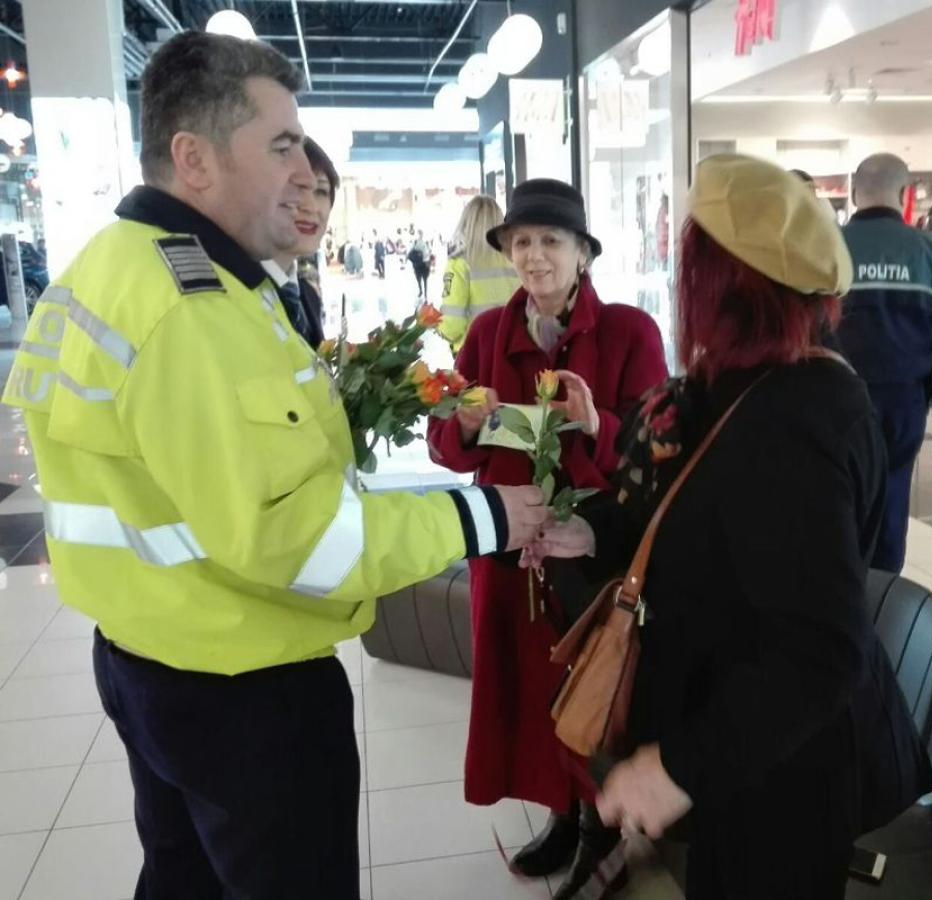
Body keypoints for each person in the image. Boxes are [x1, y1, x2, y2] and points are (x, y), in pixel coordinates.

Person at [0, 32, 549, 899]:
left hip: (145, 652)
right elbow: (299, 537)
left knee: (182, 877)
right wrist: (487, 516)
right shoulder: (192, 312)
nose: (303, 174)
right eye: (282, 146)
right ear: (195, 159)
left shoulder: (110, 266)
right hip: (240, 685)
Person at [528, 154, 932, 899]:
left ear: (722, 282)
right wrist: (591, 532)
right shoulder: (730, 383)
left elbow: (818, 652)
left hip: (783, 766)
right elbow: (682, 511)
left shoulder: (798, 420)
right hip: (736, 737)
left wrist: (674, 768)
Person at [426, 178, 668, 899]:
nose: (534, 256)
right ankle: (563, 817)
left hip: (591, 557)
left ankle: (601, 831)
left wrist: (598, 425)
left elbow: (658, 453)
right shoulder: (485, 337)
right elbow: (446, 447)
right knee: (528, 694)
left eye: (551, 241)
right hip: (508, 553)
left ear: (583, 253)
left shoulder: (628, 332)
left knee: (592, 694)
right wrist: (462, 426)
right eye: (521, 242)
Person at [838, 152, 932, 572]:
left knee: (837, 496)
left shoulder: (826, 251)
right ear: (906, 195)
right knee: (890, 497)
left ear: (854, 193)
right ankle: (884, 592)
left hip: (834, 400)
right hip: (903, 404)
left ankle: (838, 589)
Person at [261, 136, 340, 350]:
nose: (310, 207)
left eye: (321, 191)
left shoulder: (308, 296)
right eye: (296, 188)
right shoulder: (238, 289)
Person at [438, 195, 521, 353]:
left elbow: (452, 326)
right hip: (510, 352)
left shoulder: (459, 263)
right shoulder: (516, 259)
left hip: (474, 354)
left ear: (466, 223)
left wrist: (439, 329)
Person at [408, 229, 431, 299]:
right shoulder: (415, 242)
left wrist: (425, 255)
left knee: (425, 280)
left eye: (421, 233)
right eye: (419, 233)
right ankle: (421, 291)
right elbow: (410, 252)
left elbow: (429, 251)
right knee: (418, 279)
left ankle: (425, 293)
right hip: (417, 265)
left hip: (424, 264)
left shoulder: (426, 242)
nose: (420, 235)